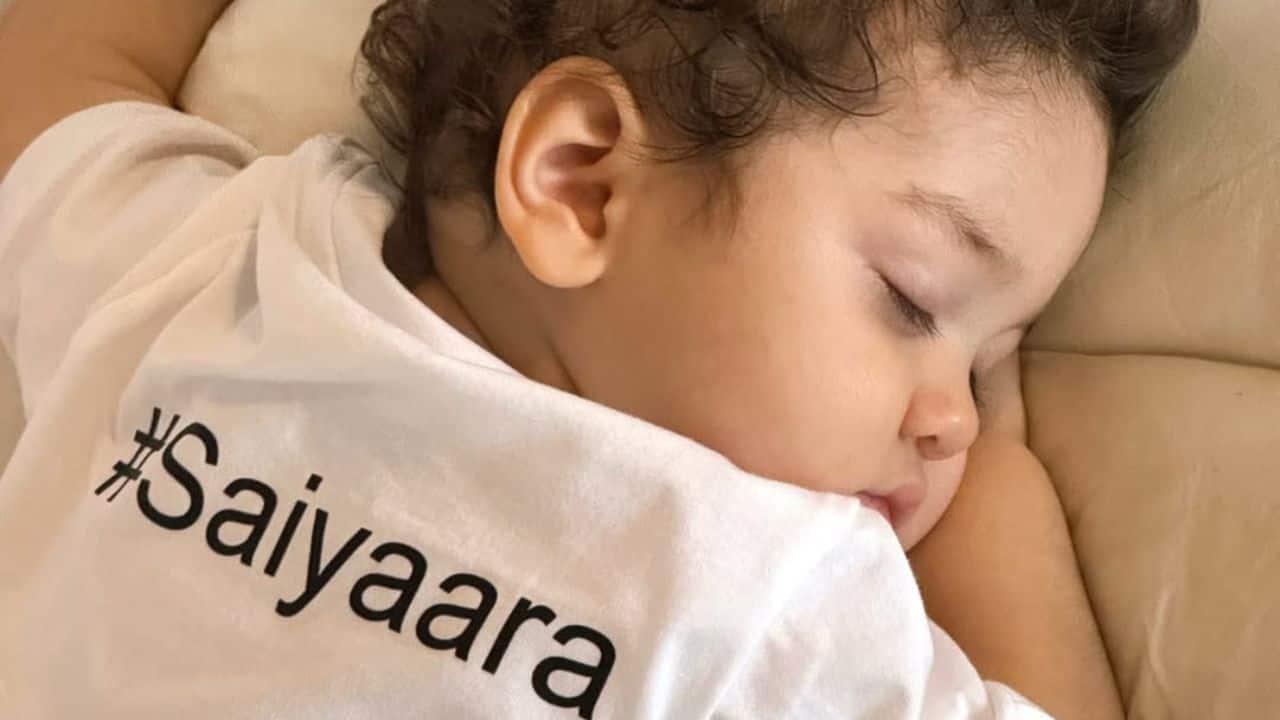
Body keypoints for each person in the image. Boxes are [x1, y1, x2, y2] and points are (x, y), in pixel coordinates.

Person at [0, 1, 1197, 718]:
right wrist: (997, 508)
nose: (958, 421)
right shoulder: (225, 266)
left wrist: (984, 483)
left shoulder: (802, 602)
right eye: (913, 298)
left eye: (994, 361)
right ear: (580, 183)